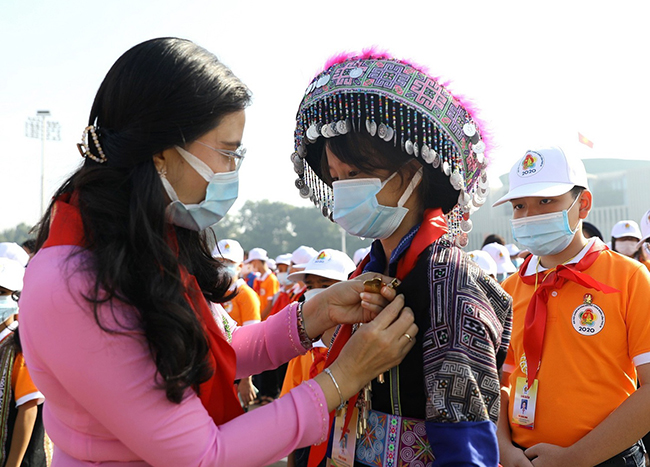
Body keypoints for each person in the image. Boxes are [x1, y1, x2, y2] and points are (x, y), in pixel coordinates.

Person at [19, 38, 417, 467]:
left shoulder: (149, 243)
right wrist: (343, 377)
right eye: (227, 152)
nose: (232, 170)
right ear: (161, 153)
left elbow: (210, 353)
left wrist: (315, 314)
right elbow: (203, 455)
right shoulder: (73, 282)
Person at [291, 51, 512, 467]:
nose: (342, 190)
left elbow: (466, 445)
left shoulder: (452, 279)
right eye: (335, 179)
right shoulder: (367, 271)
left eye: (355, 174)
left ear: (412, 173)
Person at [493, 146, 650, 466]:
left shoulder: (630, 278)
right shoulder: (509, 289)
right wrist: (505, 449)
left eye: (546, 201)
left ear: (584, 204)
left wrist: (576, 458)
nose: (530, 215)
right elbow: (498, 384)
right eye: (519, 206)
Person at [281, 249, 356, 467]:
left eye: (325, 285)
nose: (316, 293)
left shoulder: (361, 342)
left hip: (350, 442)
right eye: (310, 286)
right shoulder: (302, 348)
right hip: (308, 444)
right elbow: (290, 409)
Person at [0, 258, 47, 467]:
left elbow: (28, 408)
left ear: (17, 297)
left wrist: (13, 464)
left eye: (1, 292)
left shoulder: (20, 344)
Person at [212, 239, 261, 409]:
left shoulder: (246, 295)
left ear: (240, 266)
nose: (222, 267)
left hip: (237, 370)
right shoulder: (212, 292)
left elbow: (252, 340)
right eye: (218, 262)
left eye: (228, 262)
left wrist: (246, 380)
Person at [246, 247, 279, 317]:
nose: (251, 265)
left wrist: (260, 319)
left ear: (257, 261)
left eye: (251, 262)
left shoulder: (271, 279)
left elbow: (270, 304)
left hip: (266, 319)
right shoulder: (257, 279)